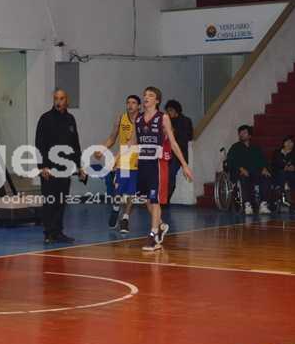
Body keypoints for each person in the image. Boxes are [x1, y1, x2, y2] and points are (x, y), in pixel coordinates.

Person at [131, 87, 193, 251]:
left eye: (150, 95)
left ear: (157, 100)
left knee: (155, 200)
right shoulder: (138, 119)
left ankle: (154, 236)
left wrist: (184, 164)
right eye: (145, 95)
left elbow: (173, 143)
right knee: (147, 200)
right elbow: (132, 142)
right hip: (143, 164)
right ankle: (160, 225)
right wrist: (117, 159)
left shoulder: (163, 117)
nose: (146, 97)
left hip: (157, 164)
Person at [35, 89, 86, 244]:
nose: (58, 101)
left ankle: (58, 232)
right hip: (49, 168)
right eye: (56, 98)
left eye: (61, 98)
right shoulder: (45, 118)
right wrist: (42, 166)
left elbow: (75, 144)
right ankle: (48, 233)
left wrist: (79, 166)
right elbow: (39, 144)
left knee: (61, 201)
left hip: (66, 168)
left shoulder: (70, 119)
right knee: (50, 201)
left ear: (66, 100)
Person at [95, 95, 141, 234]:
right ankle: (116, 208)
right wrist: (102, 149)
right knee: (119, 190)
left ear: (139, 106)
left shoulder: (142, 120)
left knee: (131, 192)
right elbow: (112, 138)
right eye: (128, 102)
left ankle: (125, 218)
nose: (130, 105)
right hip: (124, 160)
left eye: (133, 103)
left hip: (138, 159)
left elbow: (135, 141)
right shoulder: (121, 119)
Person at [227, 125, 272, 215]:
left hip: (255, 172)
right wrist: (241, 168)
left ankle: (263, 204)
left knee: (265, 177)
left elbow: (262, 160)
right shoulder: (235, 147)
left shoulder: (256, 147)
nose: (241, 135)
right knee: (244, 177)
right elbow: (231, 161)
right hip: (241, 173)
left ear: (250, 135)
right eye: (240, 133)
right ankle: (247, 204)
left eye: (244, 133)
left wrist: (264, 168)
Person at [164, 100, 193, 204]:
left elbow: (189, 136)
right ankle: (163, 198)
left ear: (176, 110)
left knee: (170, 175)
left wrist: (174, 132)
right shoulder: (167, 121)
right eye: (167, 111)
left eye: (171, 110)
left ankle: (166, 199)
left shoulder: (185, 121)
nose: (169, 113)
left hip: (178, 153)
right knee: (165, 176)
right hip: (167, 152)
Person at [271, 135, 295, 207]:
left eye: (291, 142)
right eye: (287, 142)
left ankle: (280, 195)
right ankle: (286, 195)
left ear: (294, 144)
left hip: (293, 175)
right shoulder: (277, 152)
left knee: (283, 176)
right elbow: (273, 166)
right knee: (282, 174)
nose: (289, 144)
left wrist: (294, 168)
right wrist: (284, 167)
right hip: (280, 174)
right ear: (283, 143)